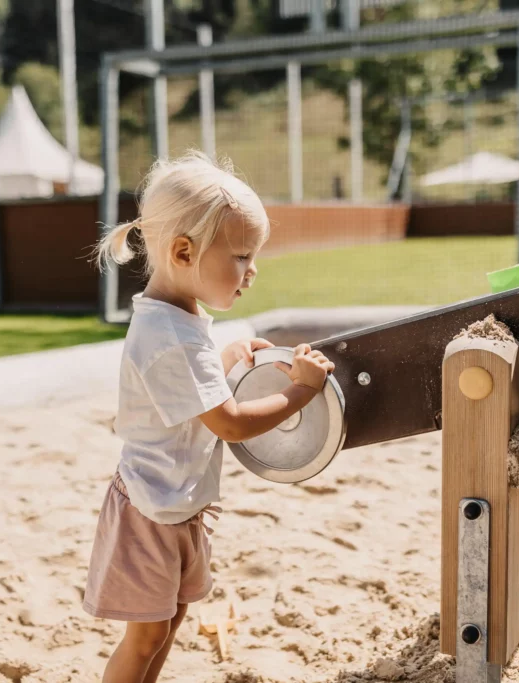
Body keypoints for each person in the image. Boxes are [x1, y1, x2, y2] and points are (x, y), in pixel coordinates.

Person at [85, 151, 334, 682]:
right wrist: (301, 390)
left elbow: (184, 399)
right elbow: (233, 422)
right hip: (152, 511)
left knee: (170, 620)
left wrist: (226, 359)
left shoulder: (178, 316)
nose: (252, 271)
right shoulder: (170, 336)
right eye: (241, 256)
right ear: (183, 252)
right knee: (147, 634)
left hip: (176, 501)